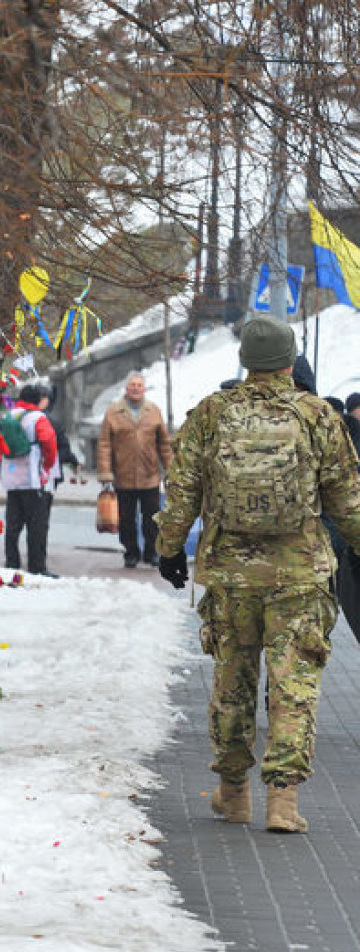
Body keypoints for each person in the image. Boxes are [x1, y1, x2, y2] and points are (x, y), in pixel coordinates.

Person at [154, 314, 360, 833]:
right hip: (300, 575)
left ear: (244, 360)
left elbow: (183, 492)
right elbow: (346, 498)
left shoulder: (211, 413)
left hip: (230, 576)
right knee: (294, 685)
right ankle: (284, 803)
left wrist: (170, 550)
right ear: (290, 362)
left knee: (232, 682)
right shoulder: (317, 415)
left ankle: (233, 793)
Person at [97, 372, 173, 567]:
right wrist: (106, 473)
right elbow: (104, 444)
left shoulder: (153, 411)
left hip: (150, 476)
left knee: (153, 518)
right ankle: (131, 552)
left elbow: (164, 443)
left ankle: (151, 552)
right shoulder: (113, 412)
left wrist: (171, 468)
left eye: (139, 385)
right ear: (127, 388)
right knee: (126, 519)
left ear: (144, 388)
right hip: (124, 476)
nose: (136, 388)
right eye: (132, 385)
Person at [0, 384, 58, 576]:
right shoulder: (38, 418)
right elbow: (48, 441)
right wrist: (48, 464)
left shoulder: (9, 415)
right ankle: (36, 566)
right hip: (32, 477)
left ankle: (11, 562)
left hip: (10, 474)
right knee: (36, 524)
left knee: (13, 523)